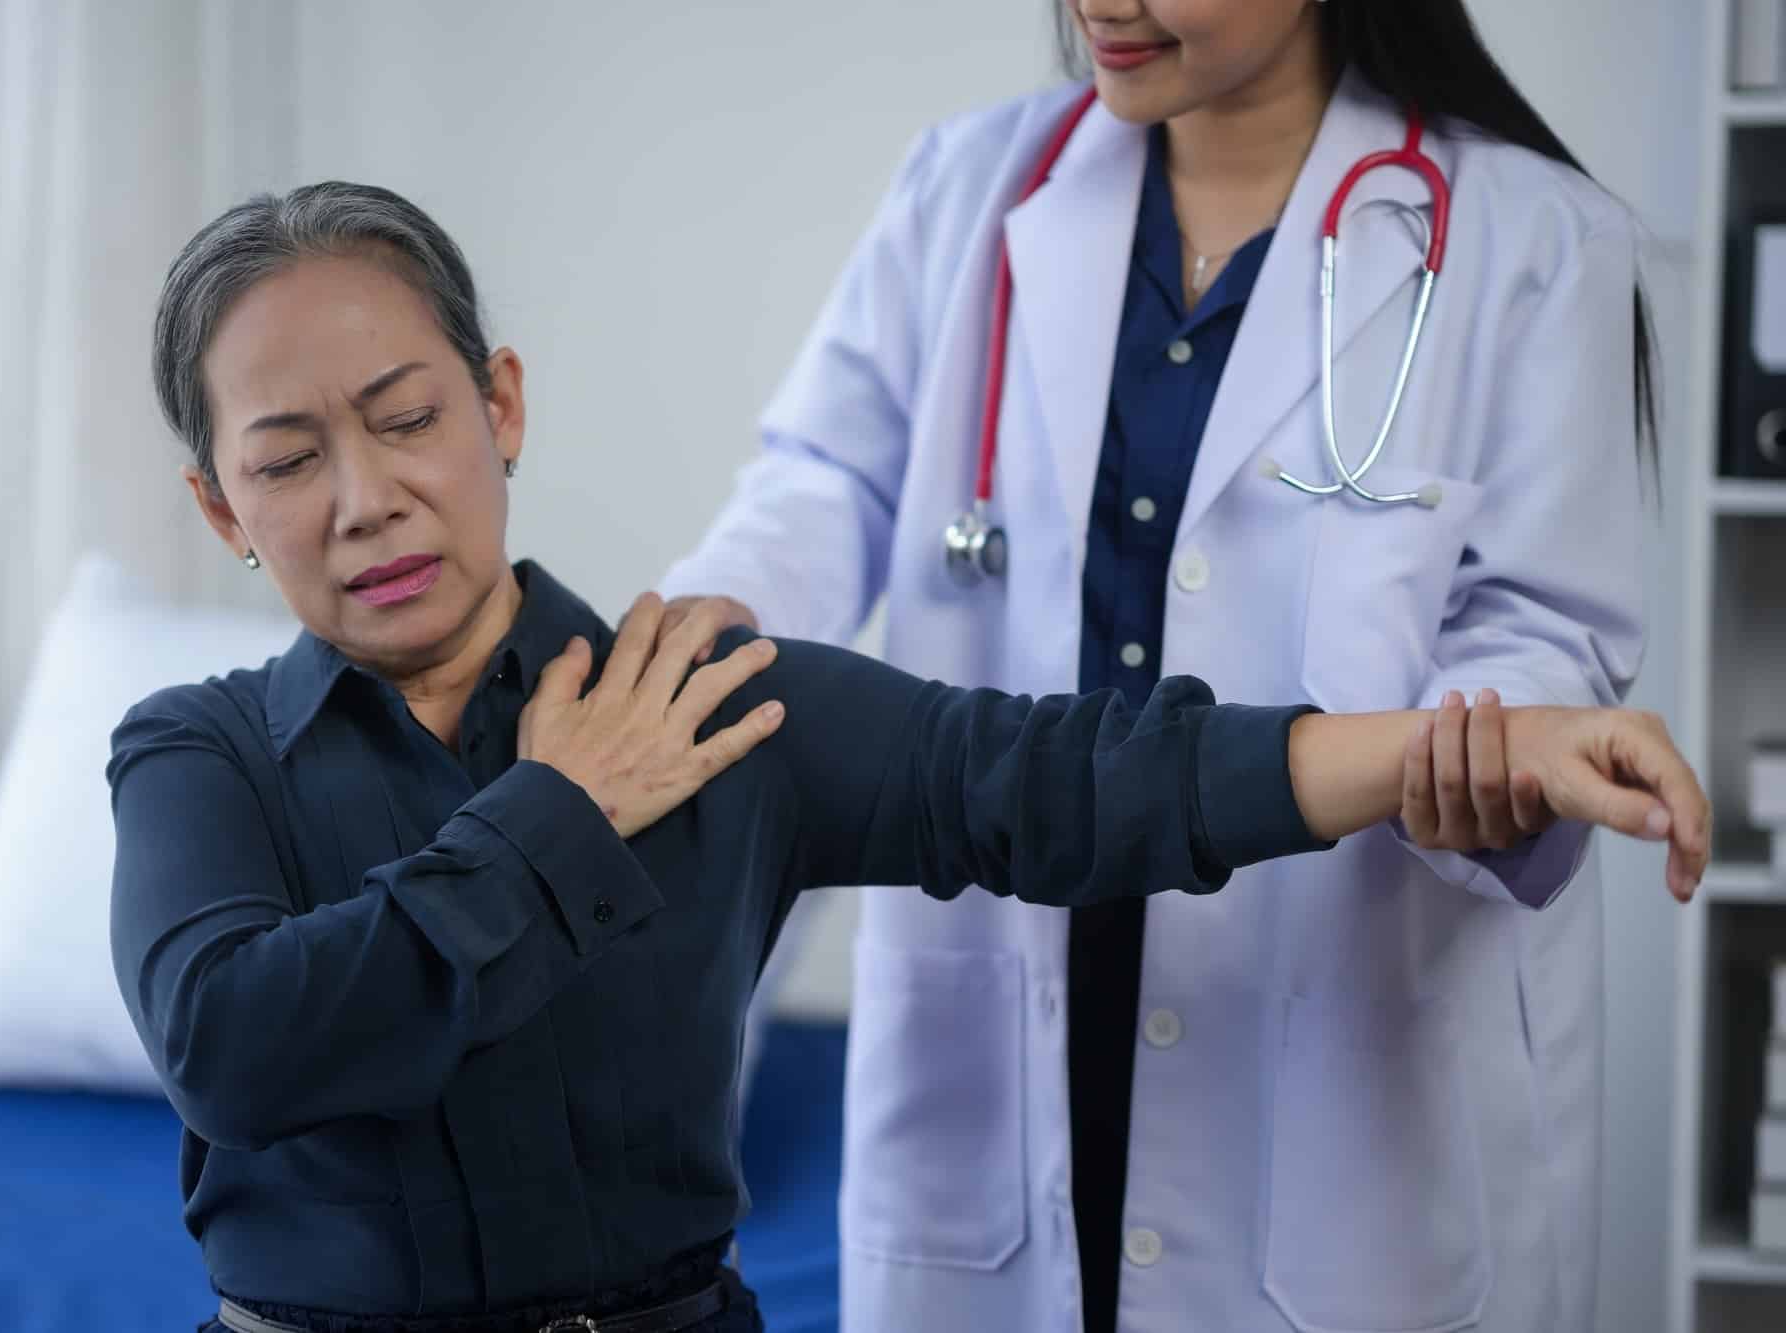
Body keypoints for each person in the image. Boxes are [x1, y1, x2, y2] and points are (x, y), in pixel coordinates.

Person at [110, 182, 1704, 1333]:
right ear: (218, 510)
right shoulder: (196, 756)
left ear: (499, 404)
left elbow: (1072, 781)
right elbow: (238, 1048)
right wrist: (562, 811)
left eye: (405, 418)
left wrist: (1466, 741)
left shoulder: (713, 706)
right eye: (287, 459)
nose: (366, 497)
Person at [655, 2, 1666, 1330]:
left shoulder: (1529, 241)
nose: (1102, 6)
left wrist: (1469, 750)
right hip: (1016, 986)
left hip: (1344, 1038)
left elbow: (1540, 625)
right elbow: (822, 478)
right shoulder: (971, 189)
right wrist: (702, 618)